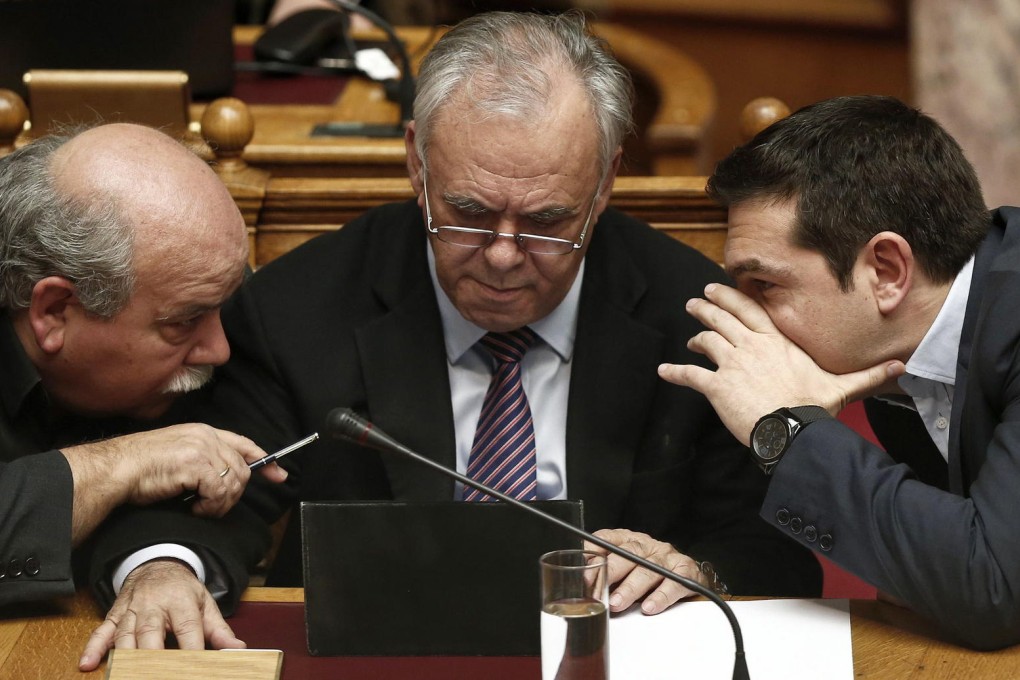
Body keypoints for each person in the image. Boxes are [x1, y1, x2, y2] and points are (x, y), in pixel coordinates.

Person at [82, 11, 821, 666]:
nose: (502, 255)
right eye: (466, 212)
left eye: (547, 222)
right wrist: (164, 568)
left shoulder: (692, 318)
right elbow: (216, 501)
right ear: (417, 163)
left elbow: (777, 549)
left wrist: (695, 570)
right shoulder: (298, 308)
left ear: (605, 184)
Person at [658, 94, 1020, 650]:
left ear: (886, 270)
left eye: (765, 286)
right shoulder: (888, 350)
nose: (746, 319)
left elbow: (991, 591)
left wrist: (786, 428)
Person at [0, 123, 286, 650]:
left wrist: (159, 562)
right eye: (184, 322)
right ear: (55, 311)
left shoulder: (186, 289)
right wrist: (122, 464)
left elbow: (228, 485)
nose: (218, 350)